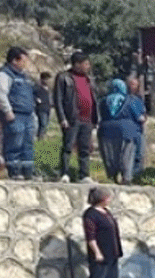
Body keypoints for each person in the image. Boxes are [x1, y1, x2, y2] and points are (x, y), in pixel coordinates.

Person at [54, 52, 99, 183]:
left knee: (85, 148)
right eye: (85, 63)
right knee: (68, 146)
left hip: (87, 119)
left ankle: (84, 175)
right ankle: (64, 173)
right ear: (77, 64)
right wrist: (62, 118)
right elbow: (58, 99)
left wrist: (95, 119)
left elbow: (94, 98)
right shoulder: (64, 78)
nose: (88, 66)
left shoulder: (89, 79)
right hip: (72, 118)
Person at [0, 46, 37, 180]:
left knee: (27, 144)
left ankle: (28, 172)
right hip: (15, 115)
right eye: (23, 60)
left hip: (27, 115)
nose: (26, 63)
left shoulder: (24, 77)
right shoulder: (4, 74)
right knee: (15, 143)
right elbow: (0, 94)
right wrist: (8, 111)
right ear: (14, 60)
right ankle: (15, 172)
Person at [82, 187, 122, 278]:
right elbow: (90, 236)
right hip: (101, 252)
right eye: (108, 197)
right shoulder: (91, 214)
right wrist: (97, 252)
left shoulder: (106, 212)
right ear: (102, 198)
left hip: (112, 252)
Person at [97, 79, 142, 185]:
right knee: (127, 155)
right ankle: (126, 178)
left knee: (111, 155)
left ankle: (113, 177)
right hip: (127, 131)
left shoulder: (103, 101)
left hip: (106, 131)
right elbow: (139, 117)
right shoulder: (130, 100)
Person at [126, 76, 147, 176]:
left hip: (140, 130)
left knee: (140, 154)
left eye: (135, 84)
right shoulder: (127, 99)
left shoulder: (139, 99)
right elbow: (139, 116)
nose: (133, 86)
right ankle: (130, 175)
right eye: (131, 84)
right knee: (132, 154)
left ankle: (138, 175)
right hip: (131, 129)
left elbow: (144, 113)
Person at [34, 72, 52, 141]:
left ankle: (42, 135)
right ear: (42, 79)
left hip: (48, 108)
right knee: (43, 123)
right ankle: (40, 138)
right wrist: (36, 99)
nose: (48, 81)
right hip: (41, 108)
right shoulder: (37, 87)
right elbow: (32, 94)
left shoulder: (48, 88)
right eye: (47, 79)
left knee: (46, 123)